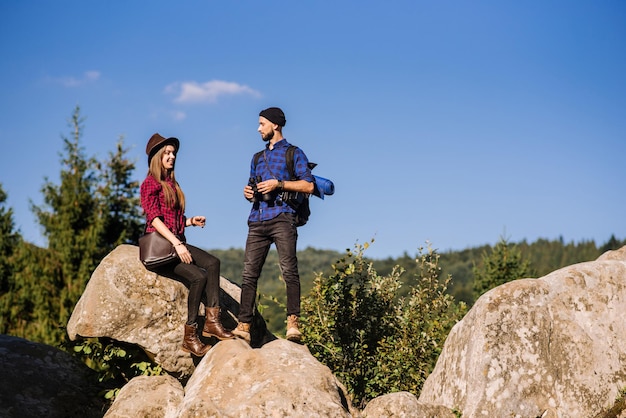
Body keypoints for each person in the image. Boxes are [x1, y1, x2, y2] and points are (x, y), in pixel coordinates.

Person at [140, 133, 234, 357]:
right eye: (168, 153)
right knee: (198, 277)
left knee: (212, 263)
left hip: (176, 242)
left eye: (173, 153)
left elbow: (172, 218)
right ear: (157, 157)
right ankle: (190, 336)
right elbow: (154, 218)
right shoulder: (149, 183)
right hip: (162, 251)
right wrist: (177, 244)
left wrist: (189, 222)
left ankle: (212, 322)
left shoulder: (172, 183)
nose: (172, 157)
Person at [232, 107, 314, 344]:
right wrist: (249, 192)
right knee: (249, 274)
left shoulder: (293, 153)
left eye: (262, 124)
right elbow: (252, 185)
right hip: (257, 219)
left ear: (275, 125)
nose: (258, 129)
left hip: (283, 217)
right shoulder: (256, 158)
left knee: (289, 270)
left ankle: (293, 324)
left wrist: (278, 184)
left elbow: (308, 186)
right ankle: (244, 325)